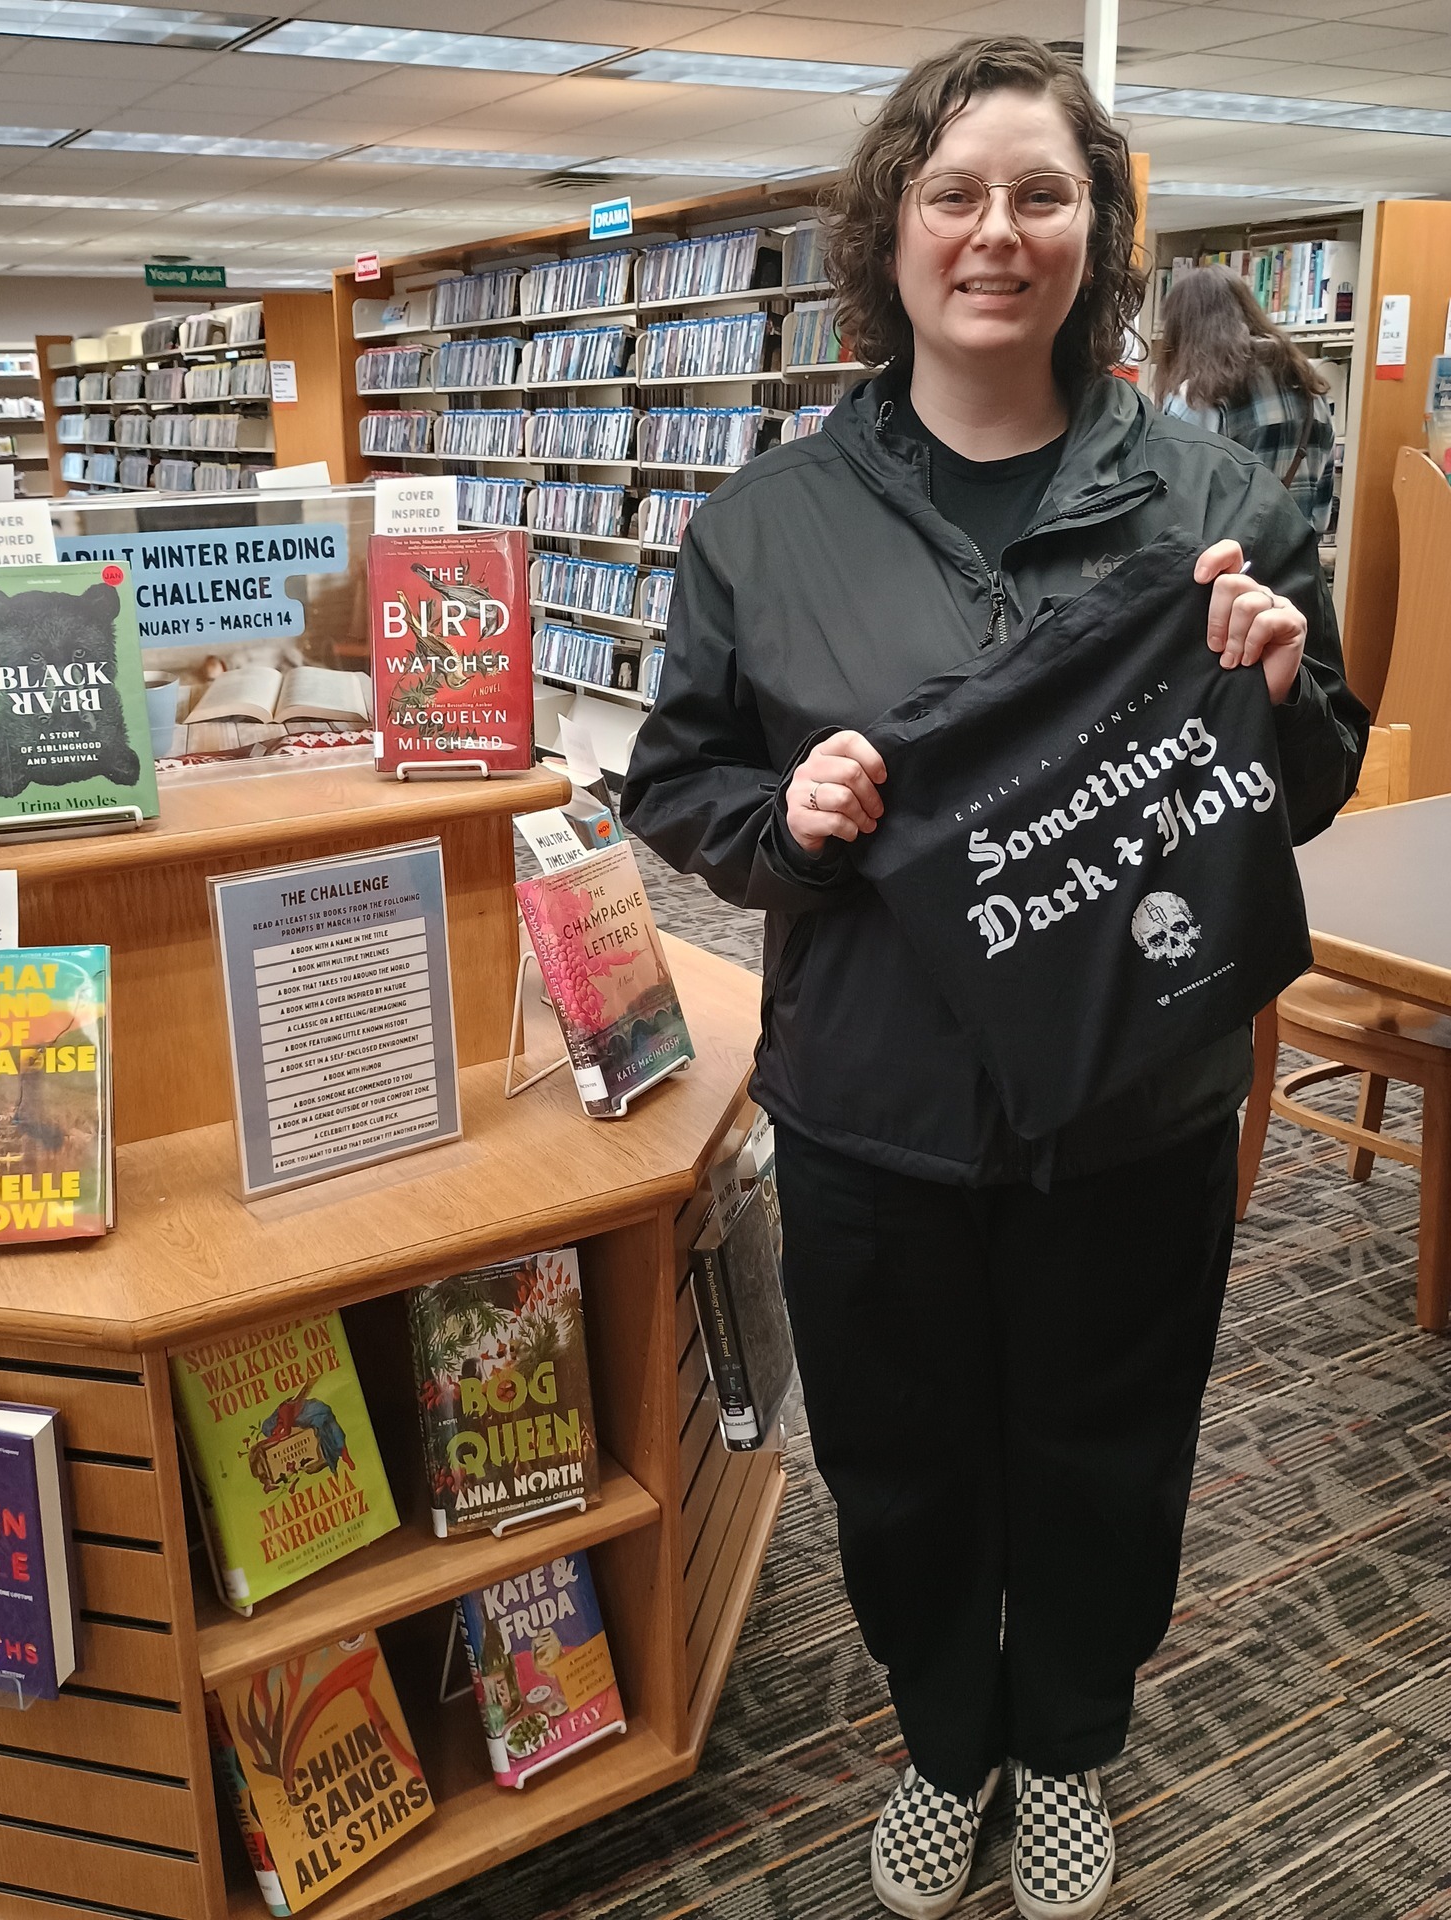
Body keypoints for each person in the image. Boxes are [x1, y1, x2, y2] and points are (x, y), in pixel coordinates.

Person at [621, 36, 1368, 1920]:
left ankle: (1068, 1750)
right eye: (953, 194)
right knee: (903, 1461)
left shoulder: (1212, 498)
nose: (996, 233)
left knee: (1109, 1454)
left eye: (1042, 195)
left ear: (1096, 229)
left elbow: (1310, 780)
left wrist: (1282, 691)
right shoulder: (763, 525)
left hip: (1134, 1103)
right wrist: (783, 813)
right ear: (893, 228)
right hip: (874, 1107)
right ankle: (946, 1742)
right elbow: (675, 787)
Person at [1156, 264, 1339, 534]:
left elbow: (1173, 513)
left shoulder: (1196, 397)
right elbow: (1321, 517)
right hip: (1296, 567)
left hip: (1224, 569)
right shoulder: (1309, 384)